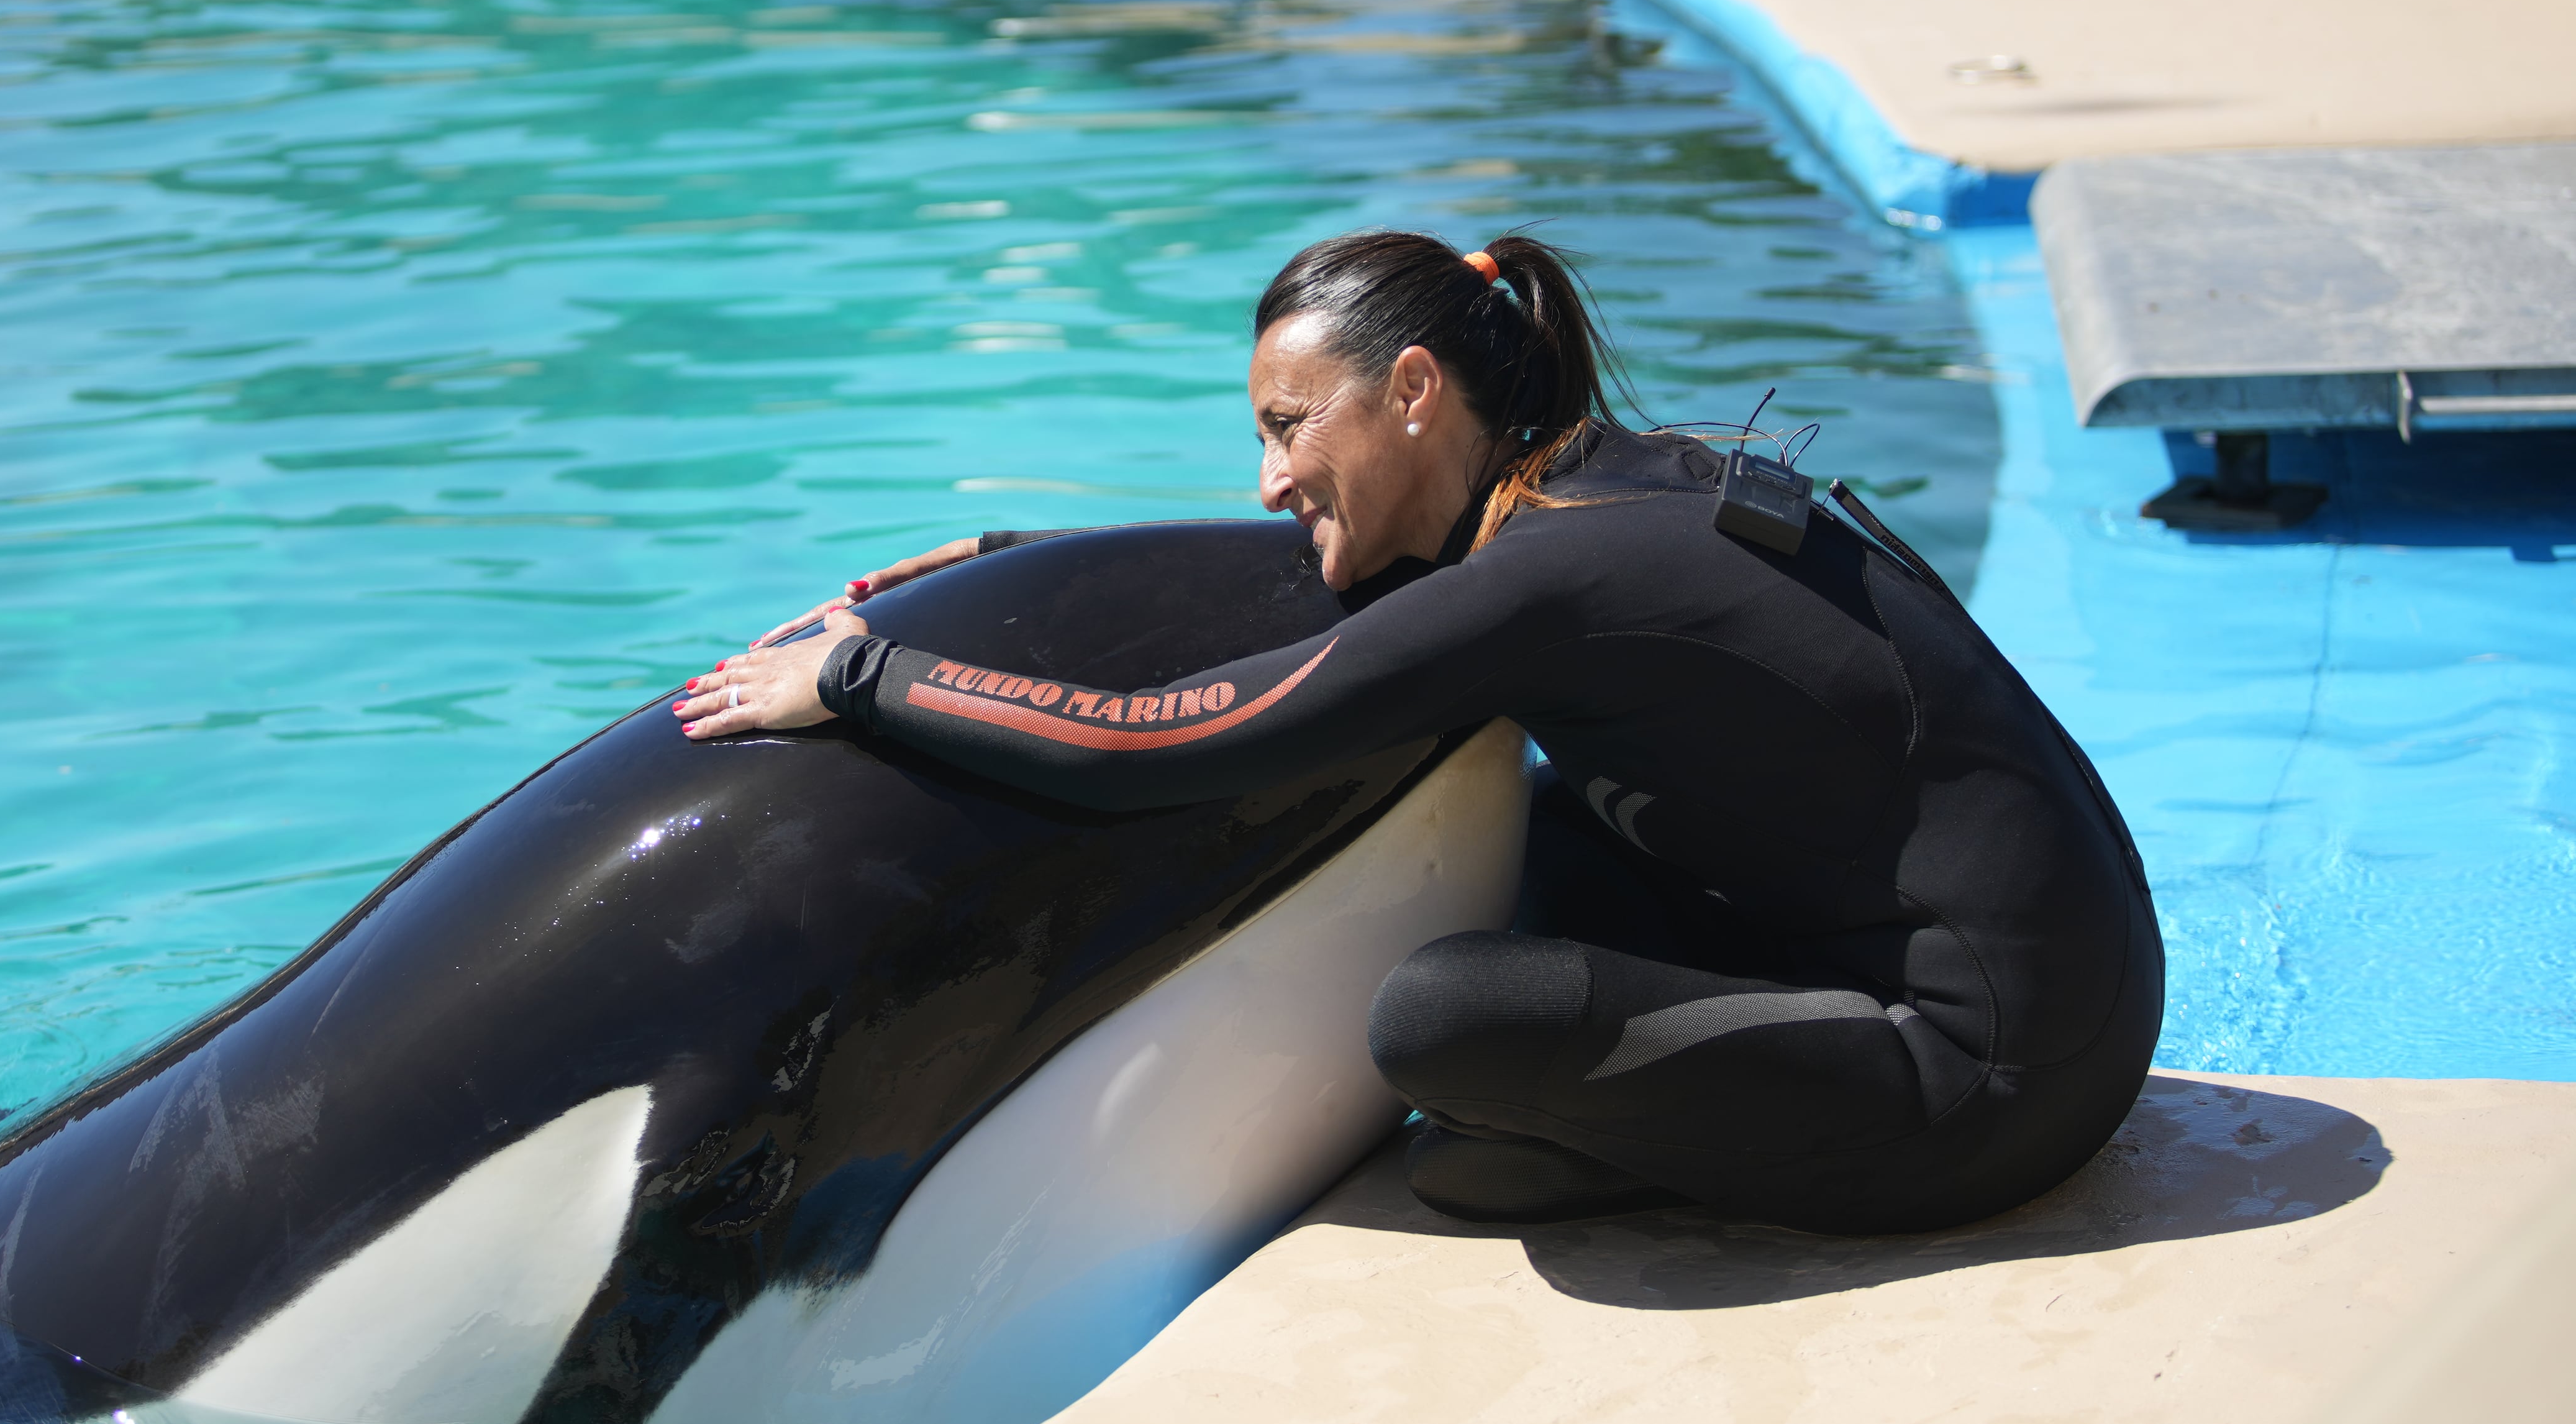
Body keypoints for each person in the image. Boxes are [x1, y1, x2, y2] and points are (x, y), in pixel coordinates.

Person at [675, 229, 2161, 1236]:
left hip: (1994, 1082)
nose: (1266, 480)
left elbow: (1160, 742)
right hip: (2055, 986)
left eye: (1285, 428)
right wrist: (1025, 567)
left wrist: (864, 682)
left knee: (1443, 1024)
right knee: (1528, 830)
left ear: (1409, 392)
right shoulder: (1605, 487)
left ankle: (1648, 1150)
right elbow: (1367, 600)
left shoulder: (1562, 574)